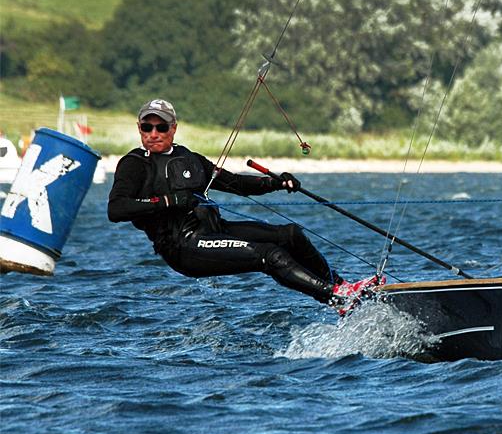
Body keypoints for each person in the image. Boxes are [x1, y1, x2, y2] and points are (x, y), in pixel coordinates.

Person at [107, 99, 383, 314]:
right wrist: (168, 201)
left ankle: (340, 287)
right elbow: (117, 209)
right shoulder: (134, 164)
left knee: (290, 234)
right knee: (269, 255)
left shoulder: (188, 157)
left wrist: (275, 182)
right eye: (147, 127)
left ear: (173, 128)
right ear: (140, 128)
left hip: (215, 231)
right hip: (184, 246)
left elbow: (235, 183)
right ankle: (336, 298)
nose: (154, 134)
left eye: (161, 127)